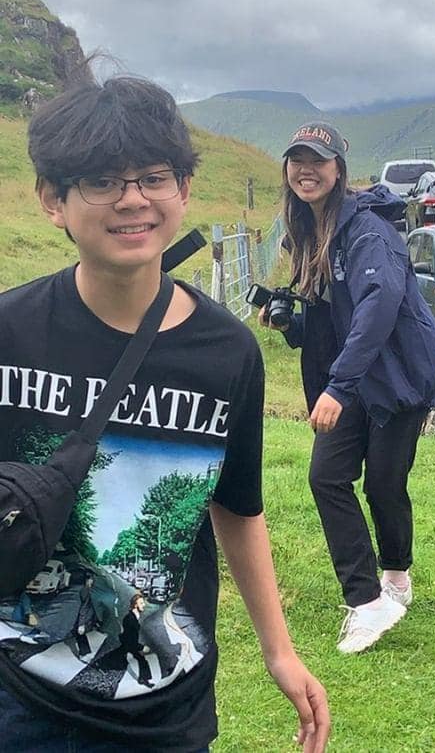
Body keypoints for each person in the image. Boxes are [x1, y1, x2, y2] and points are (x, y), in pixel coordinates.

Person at [0, 77, 329, 752]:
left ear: (182, 189)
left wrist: (279, 650)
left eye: (153, 177)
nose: (132, 199)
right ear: (52, 199)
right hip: (19, 699)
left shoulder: (226, 353)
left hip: (166, 710)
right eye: (101, 181)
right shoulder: (10, 333)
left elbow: (238, 506)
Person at [260, 122, 435, 654]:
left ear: (338, 169)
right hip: (353, 373)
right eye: (297, 160)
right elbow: (333, 318)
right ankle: (367, 602)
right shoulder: (308, 229)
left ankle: (397, 575)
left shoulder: (368, 232)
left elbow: (378, 307)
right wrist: (291, 324)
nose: (306, 170)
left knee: (384, 484)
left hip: (398, 376)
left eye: (317, 160)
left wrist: (338, 388)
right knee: (326, 477)